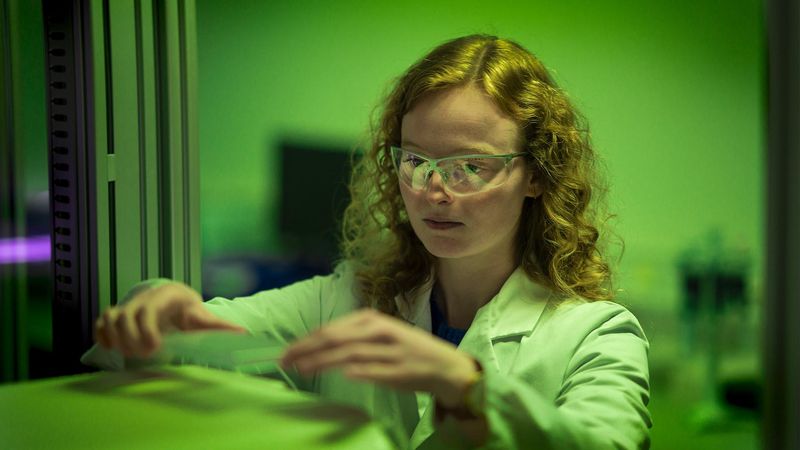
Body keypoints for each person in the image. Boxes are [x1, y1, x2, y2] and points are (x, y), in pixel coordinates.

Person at [92, 34, 651, 449]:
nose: (433, 190)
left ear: (535, 175)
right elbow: (186, 350)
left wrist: (469, 389)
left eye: (470, 166)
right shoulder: (347, 298)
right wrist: (158, 314)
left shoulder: (596, 335)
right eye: (416, 161)